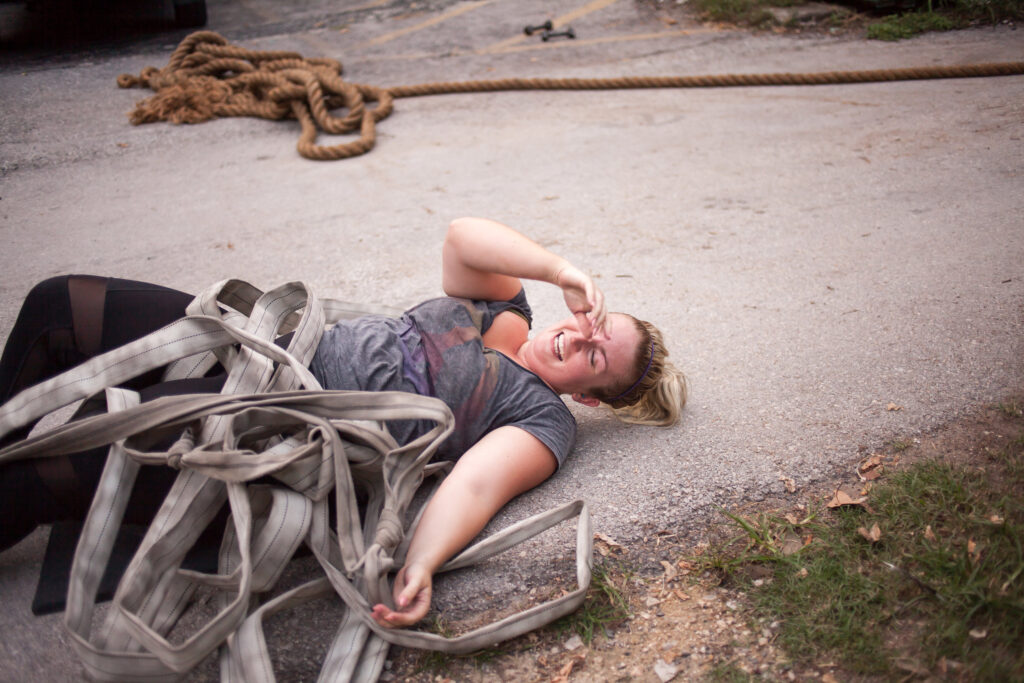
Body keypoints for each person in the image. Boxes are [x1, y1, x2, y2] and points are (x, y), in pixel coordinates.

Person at [0, 217, 686, 627]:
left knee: (89, 446)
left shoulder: (542, 419)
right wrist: (562, 267)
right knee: (59, 305)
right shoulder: (508, 309)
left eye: (596, 357)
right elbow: (461, 237)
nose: (580, 339)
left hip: (282, 427)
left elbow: (475, 488)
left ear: (591, 397)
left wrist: (420, 563)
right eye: (594, 325)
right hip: (260, 347)